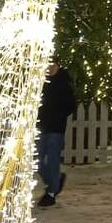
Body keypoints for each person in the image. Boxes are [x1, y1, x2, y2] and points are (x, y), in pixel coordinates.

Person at [36, 62, 77, 208]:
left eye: (50, 63)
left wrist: (58, 114)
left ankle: (51, 193)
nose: (47, 67)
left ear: (56, 64)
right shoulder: (41, 80)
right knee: (36, 159)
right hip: (40, 125)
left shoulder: (63, 81)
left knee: (53, 158)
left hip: (55, 127)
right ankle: (55, 181)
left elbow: (70, 104)